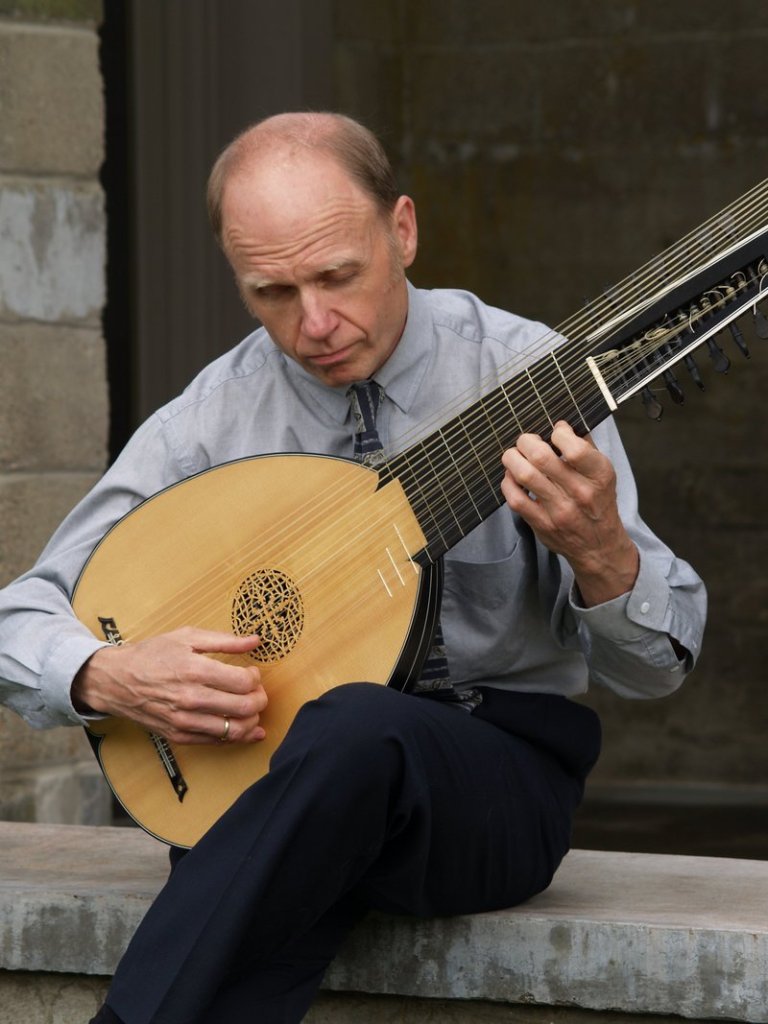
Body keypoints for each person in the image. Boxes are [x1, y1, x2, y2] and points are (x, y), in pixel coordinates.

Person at [0, 112, 706, 1024]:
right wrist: (110, 673)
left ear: (402, 231)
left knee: (354, 732)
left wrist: (604, 553)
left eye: (338, 276)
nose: (314, 324)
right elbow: (19, 616)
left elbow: (654, 670)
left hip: (492, 787)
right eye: (272, 293)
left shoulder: (529, 377)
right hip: (272, 795)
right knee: (311, 775)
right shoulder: (209, 423)